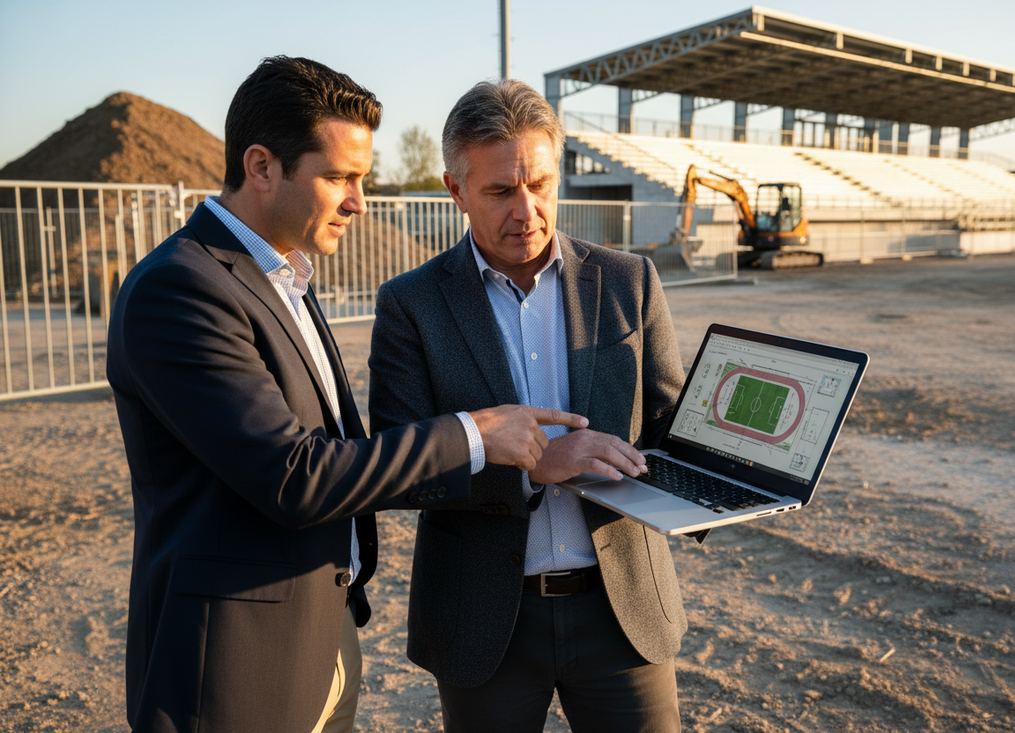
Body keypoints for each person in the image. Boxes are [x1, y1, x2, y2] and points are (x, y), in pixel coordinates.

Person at [106, 58, 585, 733]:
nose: (359, 200)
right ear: (262, 166)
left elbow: (345, 453)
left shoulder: (282, 275)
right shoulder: (180, 289)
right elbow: (297, 474)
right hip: (233, 668)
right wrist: (477, 432)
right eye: (339, 177)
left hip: (318, 638)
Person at [368, 79, 688, 732]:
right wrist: (530, 465)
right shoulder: (411, 305)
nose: (527, 210)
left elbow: (667, 428)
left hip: (622, 613)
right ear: (454, 189)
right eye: (500, 191)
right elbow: (398, 465)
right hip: (485, 622)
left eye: (540, 183)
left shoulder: (630, 281)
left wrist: (741, 462)